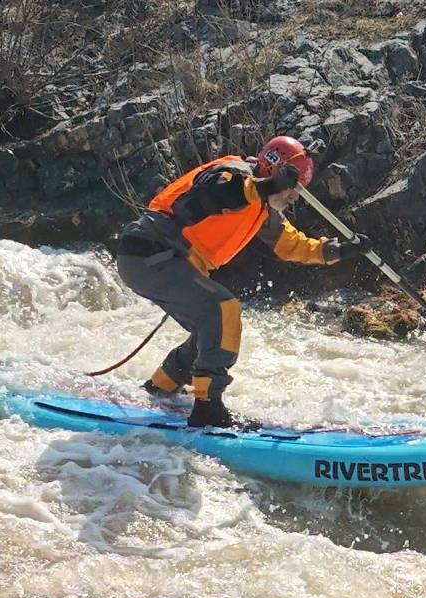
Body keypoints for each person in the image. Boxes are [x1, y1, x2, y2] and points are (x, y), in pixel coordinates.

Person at [115, 136, 371, 428]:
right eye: (292, 188)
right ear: (273, 168)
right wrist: (267, 186)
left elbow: (292, 245)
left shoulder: (263, 208)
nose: (294, 196)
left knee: (208, 332)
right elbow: (216, 194)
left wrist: (338, 251)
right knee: (222, 310)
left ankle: (160, 389)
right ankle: (207, 408)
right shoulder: (234, 173)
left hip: (166, 262)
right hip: (150, 252)